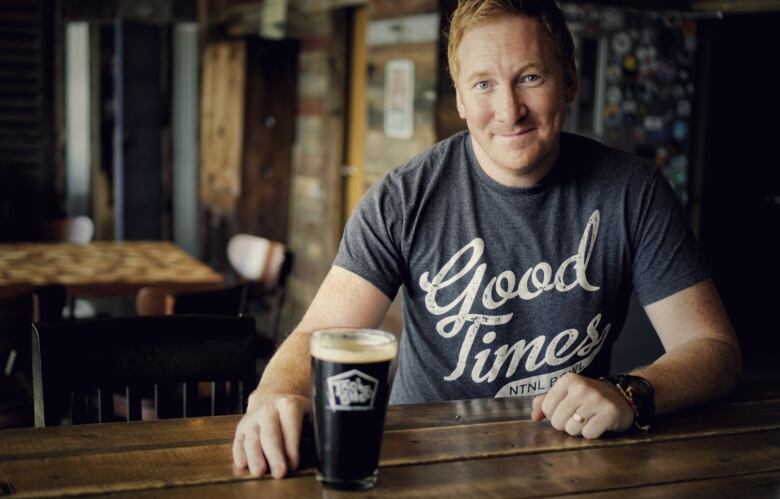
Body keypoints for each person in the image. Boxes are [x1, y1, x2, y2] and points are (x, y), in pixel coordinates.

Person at [232, 0, 740, 479]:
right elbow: (319, 335)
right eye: (482, 84)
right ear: (458, 99)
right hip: (426, 463)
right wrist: (275, 391)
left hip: (570, 461)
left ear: (570, 80)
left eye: (531, 78)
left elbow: (713, 348)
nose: (509, 108)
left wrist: (631, 393)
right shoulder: (401, 199)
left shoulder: (633, 191)